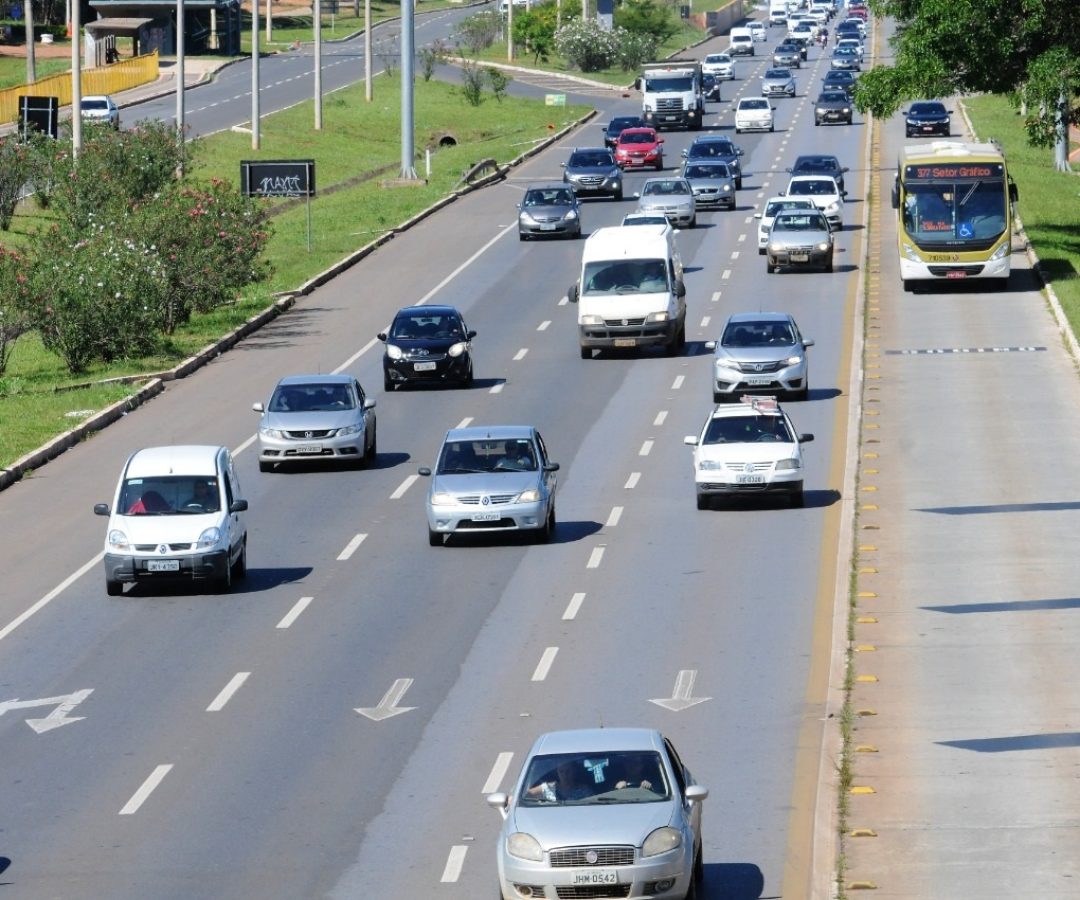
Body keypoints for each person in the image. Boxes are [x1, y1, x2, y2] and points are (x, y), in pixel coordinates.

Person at [527, 760, 592, 802]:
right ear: (557, 772)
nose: (564, 775)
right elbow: (527, 794)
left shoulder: (584, 790)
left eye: (568, 771)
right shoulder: (549, 787)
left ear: (574, 772)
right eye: (561, 771)